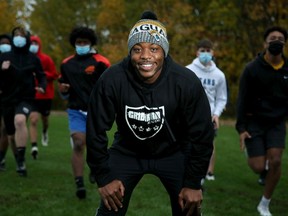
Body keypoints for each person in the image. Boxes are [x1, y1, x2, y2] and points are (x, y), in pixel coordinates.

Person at [86, 11, 214, 216]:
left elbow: (202, 134)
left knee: (188, 209)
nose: (145, 56)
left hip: (174, 152)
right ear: (130, 52)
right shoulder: (112, 79)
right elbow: (95, 129)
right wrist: (103, 177)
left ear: (164, 51)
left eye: (154, 48)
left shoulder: (185, 81)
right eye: (137, 49)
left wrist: (193, 182)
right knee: (110, 209)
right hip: (128, 151)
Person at [236, 26, 288, 216]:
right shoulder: (252, 69)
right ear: (265, 43)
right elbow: (242, 99)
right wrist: (241, 128)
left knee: (275, 160)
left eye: (280, 39)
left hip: (276, 123)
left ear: (285, 43)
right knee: (258, 166)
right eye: (273, 38)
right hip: (254, 122)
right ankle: (259, 159)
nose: (276, 41)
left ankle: (264, 204)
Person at [58, 26, 110, 199]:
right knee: (79, 143)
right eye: (78, 42)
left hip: (97, 111)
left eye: (85, 42)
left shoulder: (101, 62)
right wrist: (63, 90)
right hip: (75, 110)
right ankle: (79, 183)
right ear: (74, 43)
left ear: (91, 43)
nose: (81, 45)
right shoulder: (66, 64)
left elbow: (109, 88)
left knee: (95, 145)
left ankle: (95, 168)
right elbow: (62, 89)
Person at [0, 26, 46, 177]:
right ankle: (18, 158)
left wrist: (42, 86)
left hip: (26, 98)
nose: (18, 37)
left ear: (26, 37)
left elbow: (41, 75)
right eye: (16, 35)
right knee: (10, 135)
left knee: (20, 121)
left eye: (21, 35)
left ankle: (20, 160)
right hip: (7, 98)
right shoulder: (4, 56)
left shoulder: (33, 58)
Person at [186, 39, 227, 181]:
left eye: (208, 50)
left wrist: (216, 114)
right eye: (202, 50)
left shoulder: (219, 75)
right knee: (189, 145)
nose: (205, 53)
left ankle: (207, 172)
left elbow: (222, 98)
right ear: (197, 52)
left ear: (213, 52)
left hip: (209, 117)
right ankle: (190, 171)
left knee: (208, 145)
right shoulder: (188, 70)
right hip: (190, 116)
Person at [28, 35, 58, 159]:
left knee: (45, 120)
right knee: (33, 120)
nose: (33, 45)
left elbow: (55, 74)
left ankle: (45, 131)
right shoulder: (26, 59)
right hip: (32, 94)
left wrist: (41, 74)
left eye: (36, 43)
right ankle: (34, 146)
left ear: (39, 44)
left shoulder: (46, 59)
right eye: (31, 43)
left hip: (45, 95)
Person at [0, 33, 14, 170]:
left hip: (8, 99)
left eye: (7, 43)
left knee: (5, 129)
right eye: (2, 43)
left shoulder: (13, 60)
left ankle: (2, 157)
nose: (4, 45)